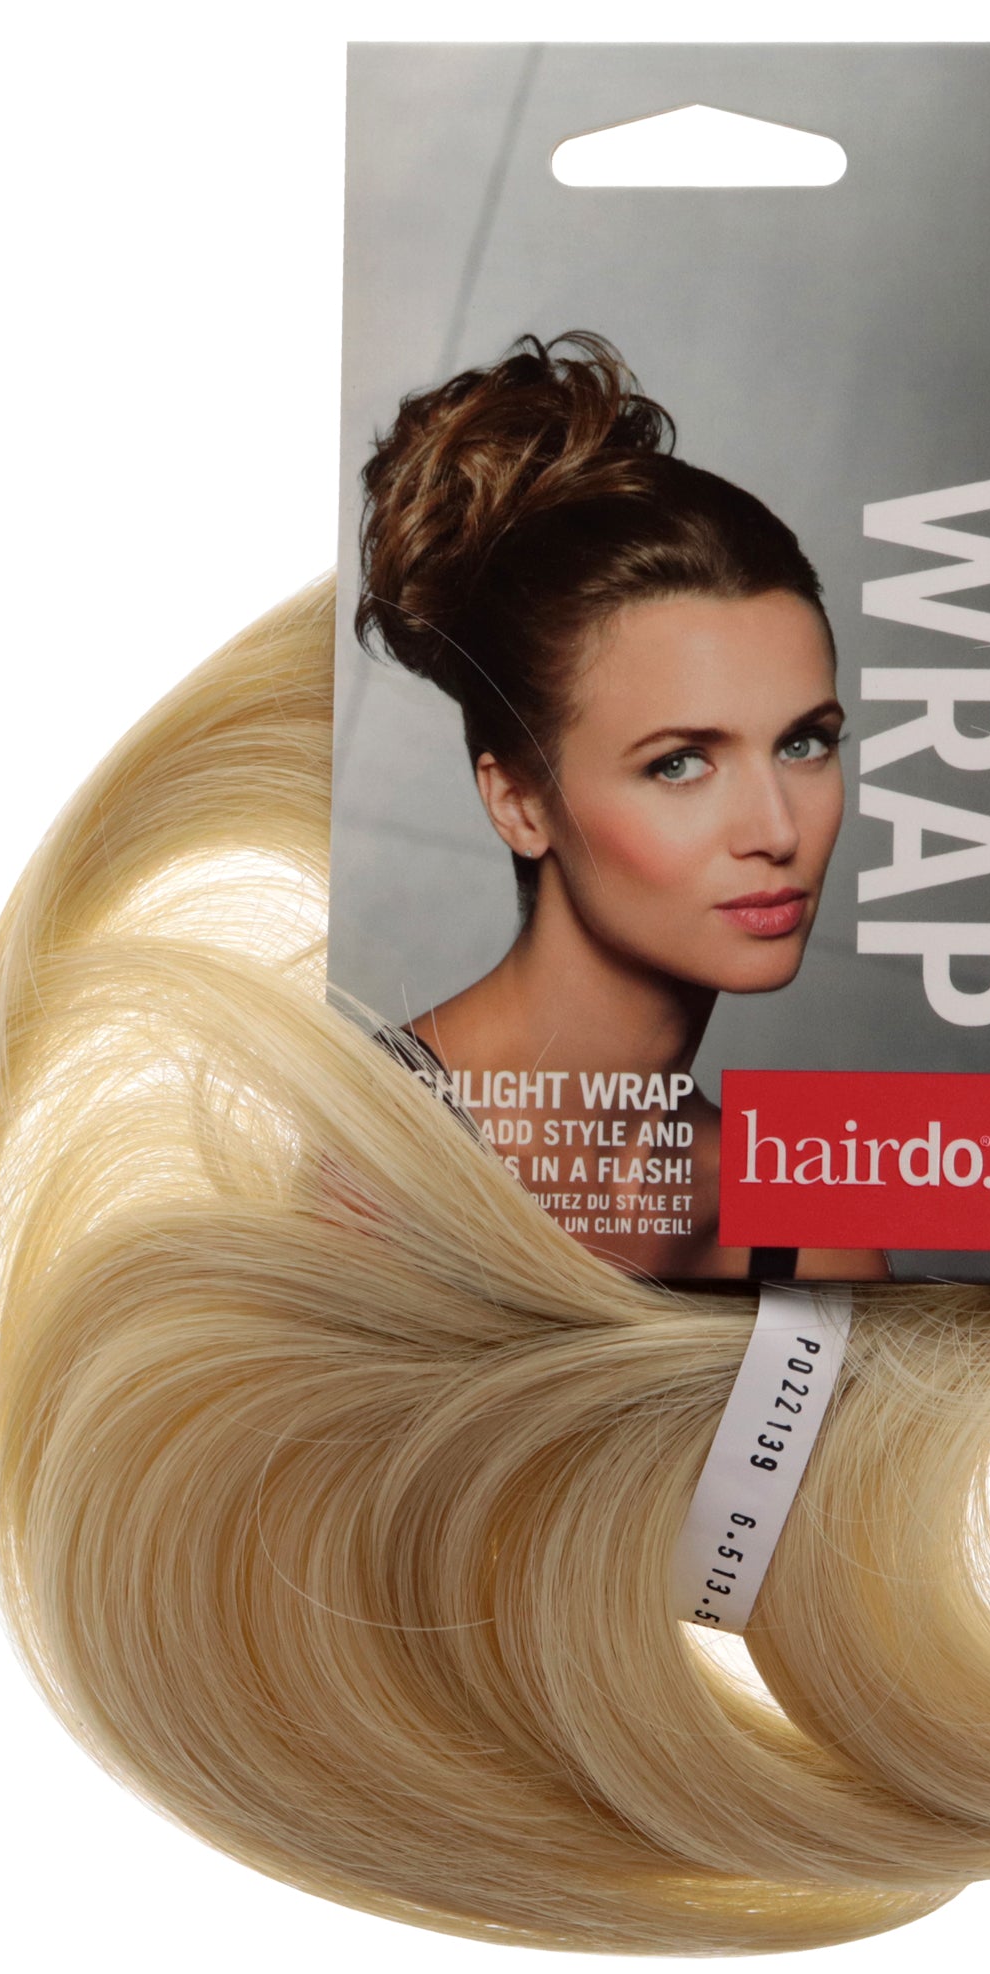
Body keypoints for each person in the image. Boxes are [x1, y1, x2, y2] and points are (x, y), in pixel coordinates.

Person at [354, 330, 886, 1282]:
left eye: (804, 743)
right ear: (518, 803)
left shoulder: (813, 1219)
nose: (778, 832)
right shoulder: (366, 1174)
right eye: (681, 764)